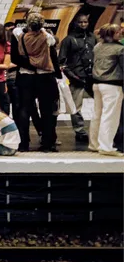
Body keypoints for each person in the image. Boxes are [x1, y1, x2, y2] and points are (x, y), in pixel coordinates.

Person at [10, 13, 61, 152]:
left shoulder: (18, 35)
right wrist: (58, 74)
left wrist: (30, 65)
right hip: (46, 77)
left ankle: (23, 143)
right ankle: (48, 142)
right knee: (47, 110)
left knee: (24, 110)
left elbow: (14, 58)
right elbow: (53, 56)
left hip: (26, 76)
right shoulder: (47, 37)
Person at [58, 14, 95, 142]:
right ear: (76, 23)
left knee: (102, 105)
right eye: (81, 22)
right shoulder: (68, 40)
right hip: (77, 77)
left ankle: (99, 129)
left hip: (93, 77)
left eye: (85, 22)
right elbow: (61, 62)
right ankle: (79, 131)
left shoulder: (92, 38)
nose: (83, 24)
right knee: (76, 107)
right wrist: (72, 76)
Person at [88, 24, 124, 157]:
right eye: (118, 32)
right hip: (112, 85)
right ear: (112, 34)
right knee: (110, 116)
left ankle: (94, 144)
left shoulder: (97, 47)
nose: (120, 33)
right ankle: (106, 146)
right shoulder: (120, 49)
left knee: (97, 114)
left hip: (97, 84)